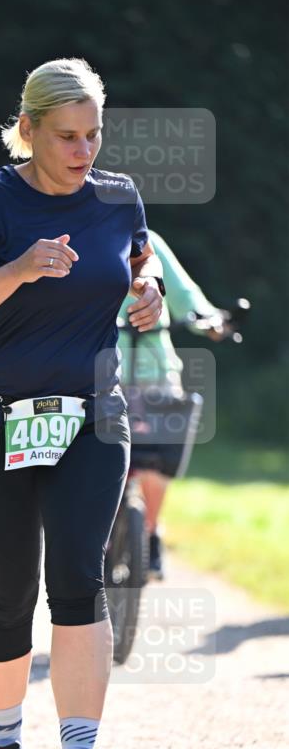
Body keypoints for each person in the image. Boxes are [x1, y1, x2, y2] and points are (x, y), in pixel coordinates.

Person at [0, 58, 164, 749]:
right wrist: (18, 270)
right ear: (27, 130)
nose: (82, 151)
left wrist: (147, 291)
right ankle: (6, 748)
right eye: (66, 136)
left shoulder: (118, 197)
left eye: (93, 135)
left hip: (91, 419)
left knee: (77, 578)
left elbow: (138, 261)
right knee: (7, 594)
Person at [117, 229, 226, 578]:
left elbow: (183, 294)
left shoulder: (146, 242)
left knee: (157, 459)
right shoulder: (83, 239)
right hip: (100, 370)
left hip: (156, 370)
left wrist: (209, 319)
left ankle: (150, 533)